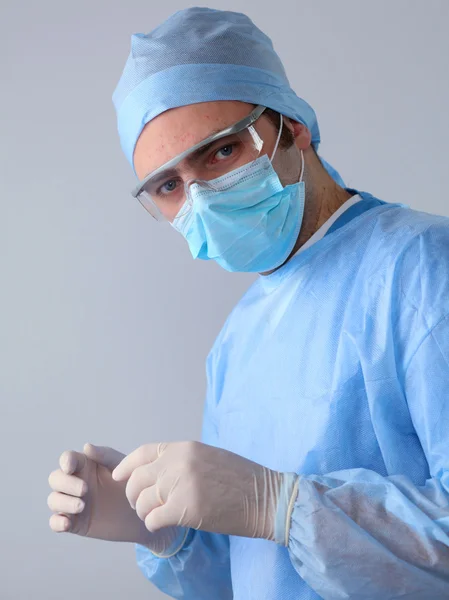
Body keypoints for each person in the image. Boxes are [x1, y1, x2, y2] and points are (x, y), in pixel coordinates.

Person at [47, 7, 449, 599]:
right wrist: (166, 535)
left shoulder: (422, 267)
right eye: (167, 185)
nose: (200, 199)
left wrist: (283, 506)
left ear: (293, 128)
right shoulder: (238, 342)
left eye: (221, 152)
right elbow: (255, 575)